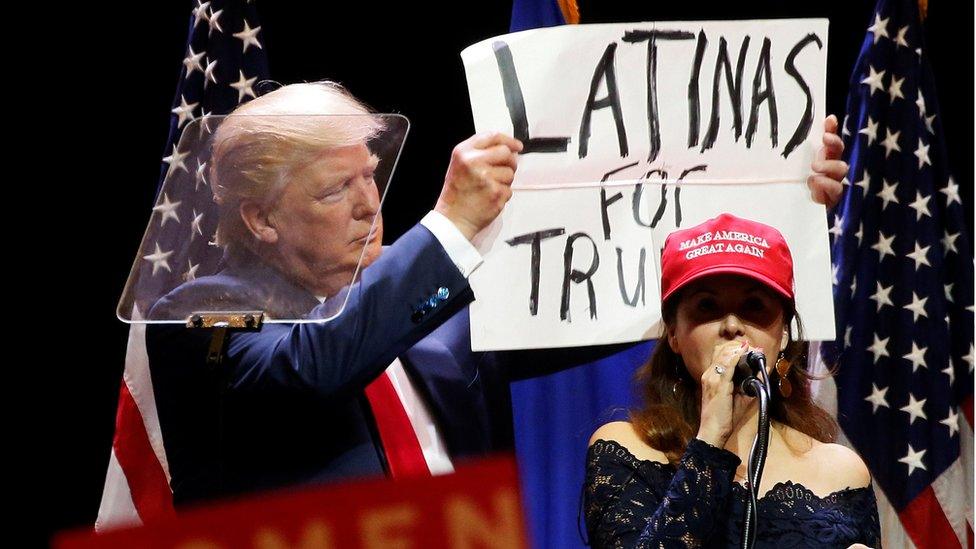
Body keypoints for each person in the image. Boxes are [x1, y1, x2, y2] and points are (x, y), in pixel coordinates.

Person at [146, 81, 851, 505]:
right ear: (261, 219)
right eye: (337, 188)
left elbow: (612, 279)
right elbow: (318, 359)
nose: (371, 204)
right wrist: (449, 224)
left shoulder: (427, 293)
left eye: (370, 175)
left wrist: (776, 192)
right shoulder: (196, 315)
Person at [583, 213, 881, 548]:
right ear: (674, 334)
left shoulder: (841, 471)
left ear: (783, 335)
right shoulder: (627, 448)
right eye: (707, 307)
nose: (732, 325)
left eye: (754, 306)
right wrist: (710, 438)